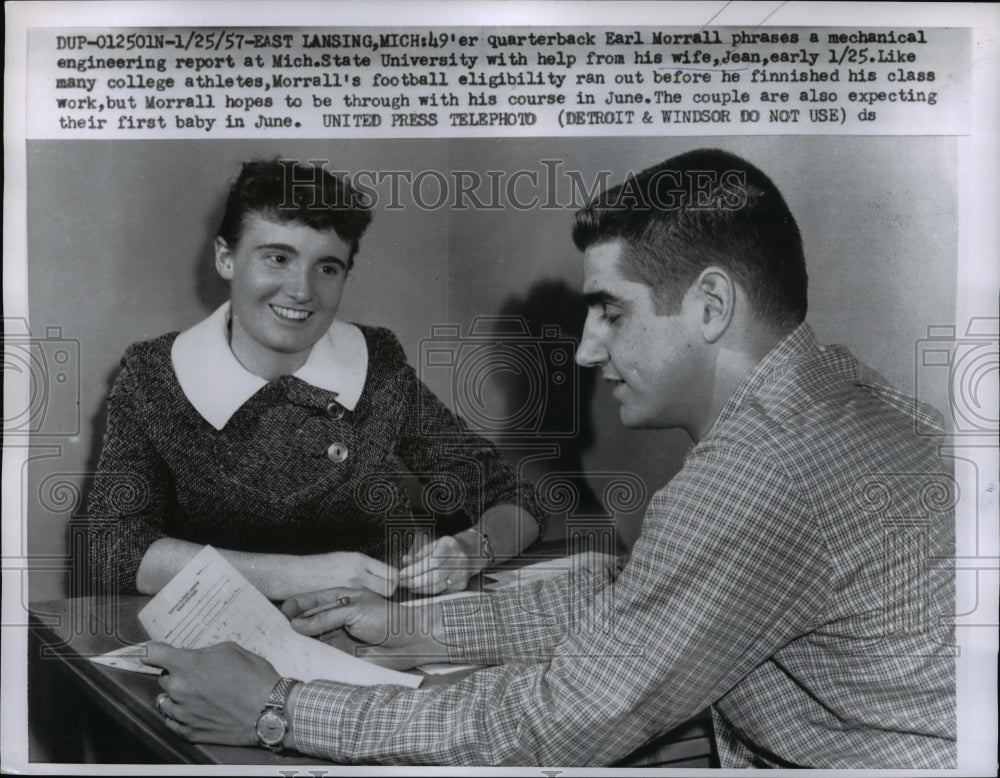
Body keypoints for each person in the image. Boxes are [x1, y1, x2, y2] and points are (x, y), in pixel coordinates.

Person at [141, 149, 956, 768]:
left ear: (710, 305)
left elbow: (560, 718)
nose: (587, 350)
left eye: (609, 309)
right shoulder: (845, 398)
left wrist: (278, 707)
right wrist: (417, 628)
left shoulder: (757, 474)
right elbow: (650, 603)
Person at [86, 159, 544, 600]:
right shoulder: (155, 377)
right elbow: (112, 550)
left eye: (327, 267)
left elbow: (510, 494)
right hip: (220, 636)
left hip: (378, 630)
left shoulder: (378, 364)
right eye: (277, 258)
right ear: (226, 258)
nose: (302, 291)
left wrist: (470, 550)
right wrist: (298, 576)